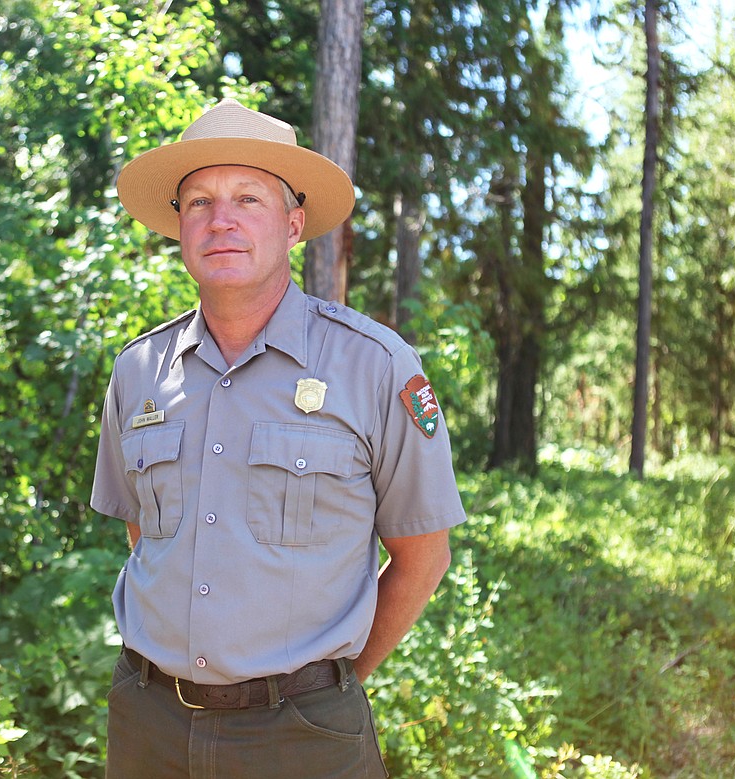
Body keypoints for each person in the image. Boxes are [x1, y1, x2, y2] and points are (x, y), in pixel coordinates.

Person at [90, 98, 467, 779]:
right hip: (148, 724)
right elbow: (145, 535)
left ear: (295, 223)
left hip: (304, 738)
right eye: (199, 201)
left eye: (248, 199)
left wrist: (328, 685)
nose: (221, 220)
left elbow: (422, 557)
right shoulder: (138, 370)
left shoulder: (375, 367)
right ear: (179, 226)